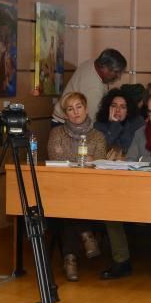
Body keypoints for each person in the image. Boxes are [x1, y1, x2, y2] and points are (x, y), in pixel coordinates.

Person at [101, 91, 151, 283]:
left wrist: (146, 160)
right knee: (109, 210)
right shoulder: (139, 132)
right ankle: (122, 260)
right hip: (137, 188)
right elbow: (132, 162)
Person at [47, 91, 108, 281]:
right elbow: (55, 157)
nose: (75, 112)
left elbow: (99, 160)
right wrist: (84, 159)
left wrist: (73, 158)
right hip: (62, 188)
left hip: (91, 190)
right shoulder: (56, 133)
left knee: (72, 207)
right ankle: (85, 235)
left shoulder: (97, 136)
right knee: (68, 204)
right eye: (70, 109)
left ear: (86, 108)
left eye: (78, 107)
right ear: (65, 114)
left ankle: (70, 258)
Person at [53, 48, 126, 124]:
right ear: (103, 68)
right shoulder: (92, 88)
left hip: (67, 119)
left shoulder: (95, 62)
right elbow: (91, 123)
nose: (118, 77)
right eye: (116, 72)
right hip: (66, 123)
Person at [93, 88, 144, 160]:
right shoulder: (99, 125)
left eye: (123, 107)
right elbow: (101, 149)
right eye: (114, 106)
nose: (118, 110)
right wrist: (114, 124)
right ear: (108, 108)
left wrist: (122, 156)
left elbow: (130, 147)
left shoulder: (136, 123)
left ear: (128, 111)